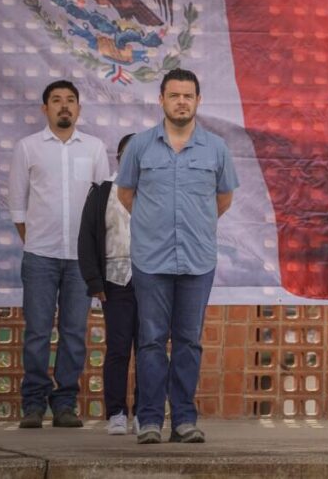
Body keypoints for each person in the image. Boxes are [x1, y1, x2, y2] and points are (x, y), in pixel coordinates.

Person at [116, 69, 237, 444]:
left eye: (188, 95)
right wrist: (156, 227)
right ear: (161, 101)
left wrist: (193, 226)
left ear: (198, 100)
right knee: (150, 340)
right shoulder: (139, 146)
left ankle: (184, 420)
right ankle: (149, 420)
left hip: (198, 260)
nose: (181, 101)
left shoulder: (216, 148)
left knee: (189, 341)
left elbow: (223, 198)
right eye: (174, 95)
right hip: (150, 260)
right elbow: (126, 194)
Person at [8, 80, 110, 429]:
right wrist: (35, 241)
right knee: (37, 331)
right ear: (45, 109)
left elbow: (101, 206)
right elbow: (18, 207)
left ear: (79, 109)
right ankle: (33, 405)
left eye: (70, 101)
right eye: (56, 100)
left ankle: (65, 403)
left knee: (73, 332)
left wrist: (92, 253)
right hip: (40, 256)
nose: (63, 106)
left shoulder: (94, 148)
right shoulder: (28, 148)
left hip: (81, 261)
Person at [78, 133, 139, 435]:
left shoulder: (157, 190)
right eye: (128, 153)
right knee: (117, 348)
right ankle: (116, 412)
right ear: (118, 157)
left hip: (152, 282)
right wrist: (94, 280)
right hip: (115, 282)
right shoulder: (102, 192)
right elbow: (87, 239)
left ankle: (145, 412)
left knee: (149, 348)